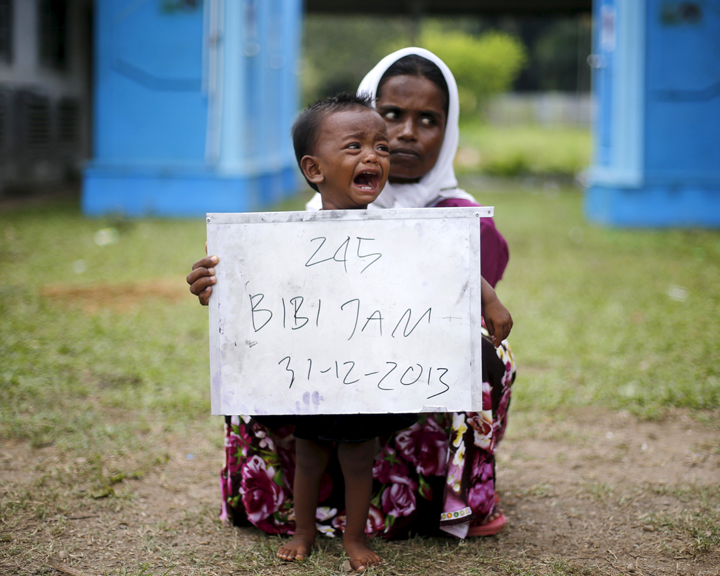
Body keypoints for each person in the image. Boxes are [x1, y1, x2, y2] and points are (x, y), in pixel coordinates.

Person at [187, 48, 516, 542]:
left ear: (448, 132)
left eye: (427, 120)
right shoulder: (299, 227)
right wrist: (222, 287)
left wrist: (484, 303)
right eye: (391, 116)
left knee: (493, 359)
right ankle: (299, 514)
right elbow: (270, 304)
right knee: (253, 378)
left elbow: (452, 290)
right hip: (319, 376)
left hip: (401, 371)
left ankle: (435, 499)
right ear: (316, 165)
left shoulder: (457, 222)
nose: (402, 135)